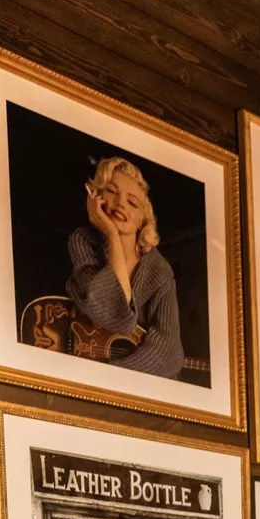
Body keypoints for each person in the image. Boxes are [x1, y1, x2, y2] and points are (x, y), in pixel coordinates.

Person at [66, 156, 184, 378]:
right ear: (97, 197)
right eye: (112, 191)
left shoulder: (160, 270)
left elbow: (170, 353)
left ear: (142, 221)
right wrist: (112, 234)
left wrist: (112, 376)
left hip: (137, 382)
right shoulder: (83, 242)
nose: (121, 203)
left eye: (132, 203)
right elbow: (111, 314)